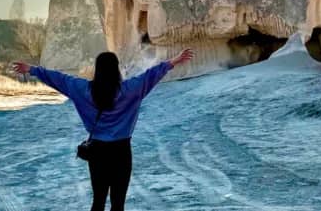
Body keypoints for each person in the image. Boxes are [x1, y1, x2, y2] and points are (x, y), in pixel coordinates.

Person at [12, 48, 194, 211]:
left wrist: (33, 69)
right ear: (116, 69)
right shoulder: (129, 90)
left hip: (97, 151)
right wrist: (174, 60)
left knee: (98, 201)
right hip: (121, 151)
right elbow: (151, 75)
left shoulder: (83, 89)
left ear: (97, 69)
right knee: (118, 203)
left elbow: (60, 79)